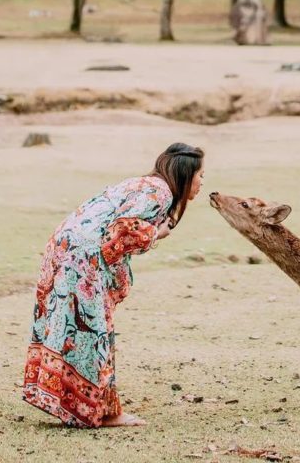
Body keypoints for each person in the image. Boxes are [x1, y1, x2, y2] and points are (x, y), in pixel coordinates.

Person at [23, 142, 205, 428]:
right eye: (200, 175)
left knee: (78, 328)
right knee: (92, 330)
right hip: (83, 259)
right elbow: (119, 232)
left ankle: (83, 405)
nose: (202, 182)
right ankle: (99, 412)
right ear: (185, 174)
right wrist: (157, 234)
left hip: (67, 249)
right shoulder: (160, 192)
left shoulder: (144, 184)